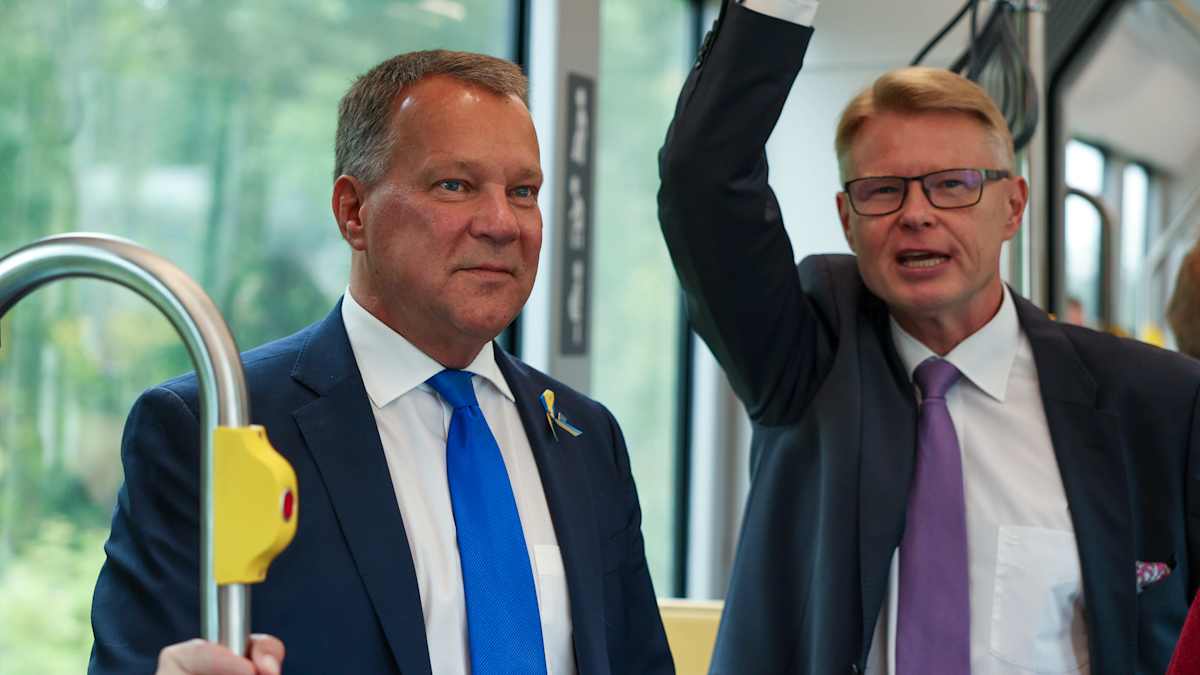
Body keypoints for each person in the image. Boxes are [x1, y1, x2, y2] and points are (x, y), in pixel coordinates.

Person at [90, 49, 673, 675]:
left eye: (522, 191)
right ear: (353, 212)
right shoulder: (214, 427)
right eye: (455, 185)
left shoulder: (586, 438)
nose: (502, 223)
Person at [658, 2, 1200, 674]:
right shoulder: (809, 361)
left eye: (953, 186)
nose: (916, 214)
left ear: (1014, 206)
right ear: (847, 219)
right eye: (883, 190)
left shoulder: (1154, 402)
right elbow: (703, 181)